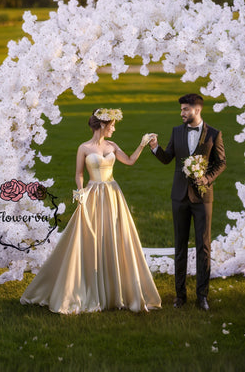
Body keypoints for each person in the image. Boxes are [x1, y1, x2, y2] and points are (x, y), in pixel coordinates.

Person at [21, 108, 161, 314]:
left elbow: (130, 161)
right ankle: (84, 286)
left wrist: (142, 144)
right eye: (112, 125)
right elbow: (79, 174)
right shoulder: (84, 148)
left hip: (112, 194)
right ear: (102, 124)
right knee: (89, 236)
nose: (114, 129)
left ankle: (115, 288)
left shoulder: (112, 146)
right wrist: (80, 193)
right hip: (92, 194)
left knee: (114, 235)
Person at [149, 94, 226, 311]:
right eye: (181, 109)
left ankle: (202, 296)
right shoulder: (176, 131)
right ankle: (180, 295)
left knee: (204, 246)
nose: (182, 113)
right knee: (180, 246)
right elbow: (167, 158)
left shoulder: (214, 134)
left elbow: (221, 163)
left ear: (197, 110)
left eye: (185, 109)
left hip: (203, 198)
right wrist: (155, 147)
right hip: (180, 196)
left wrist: (207, 178)